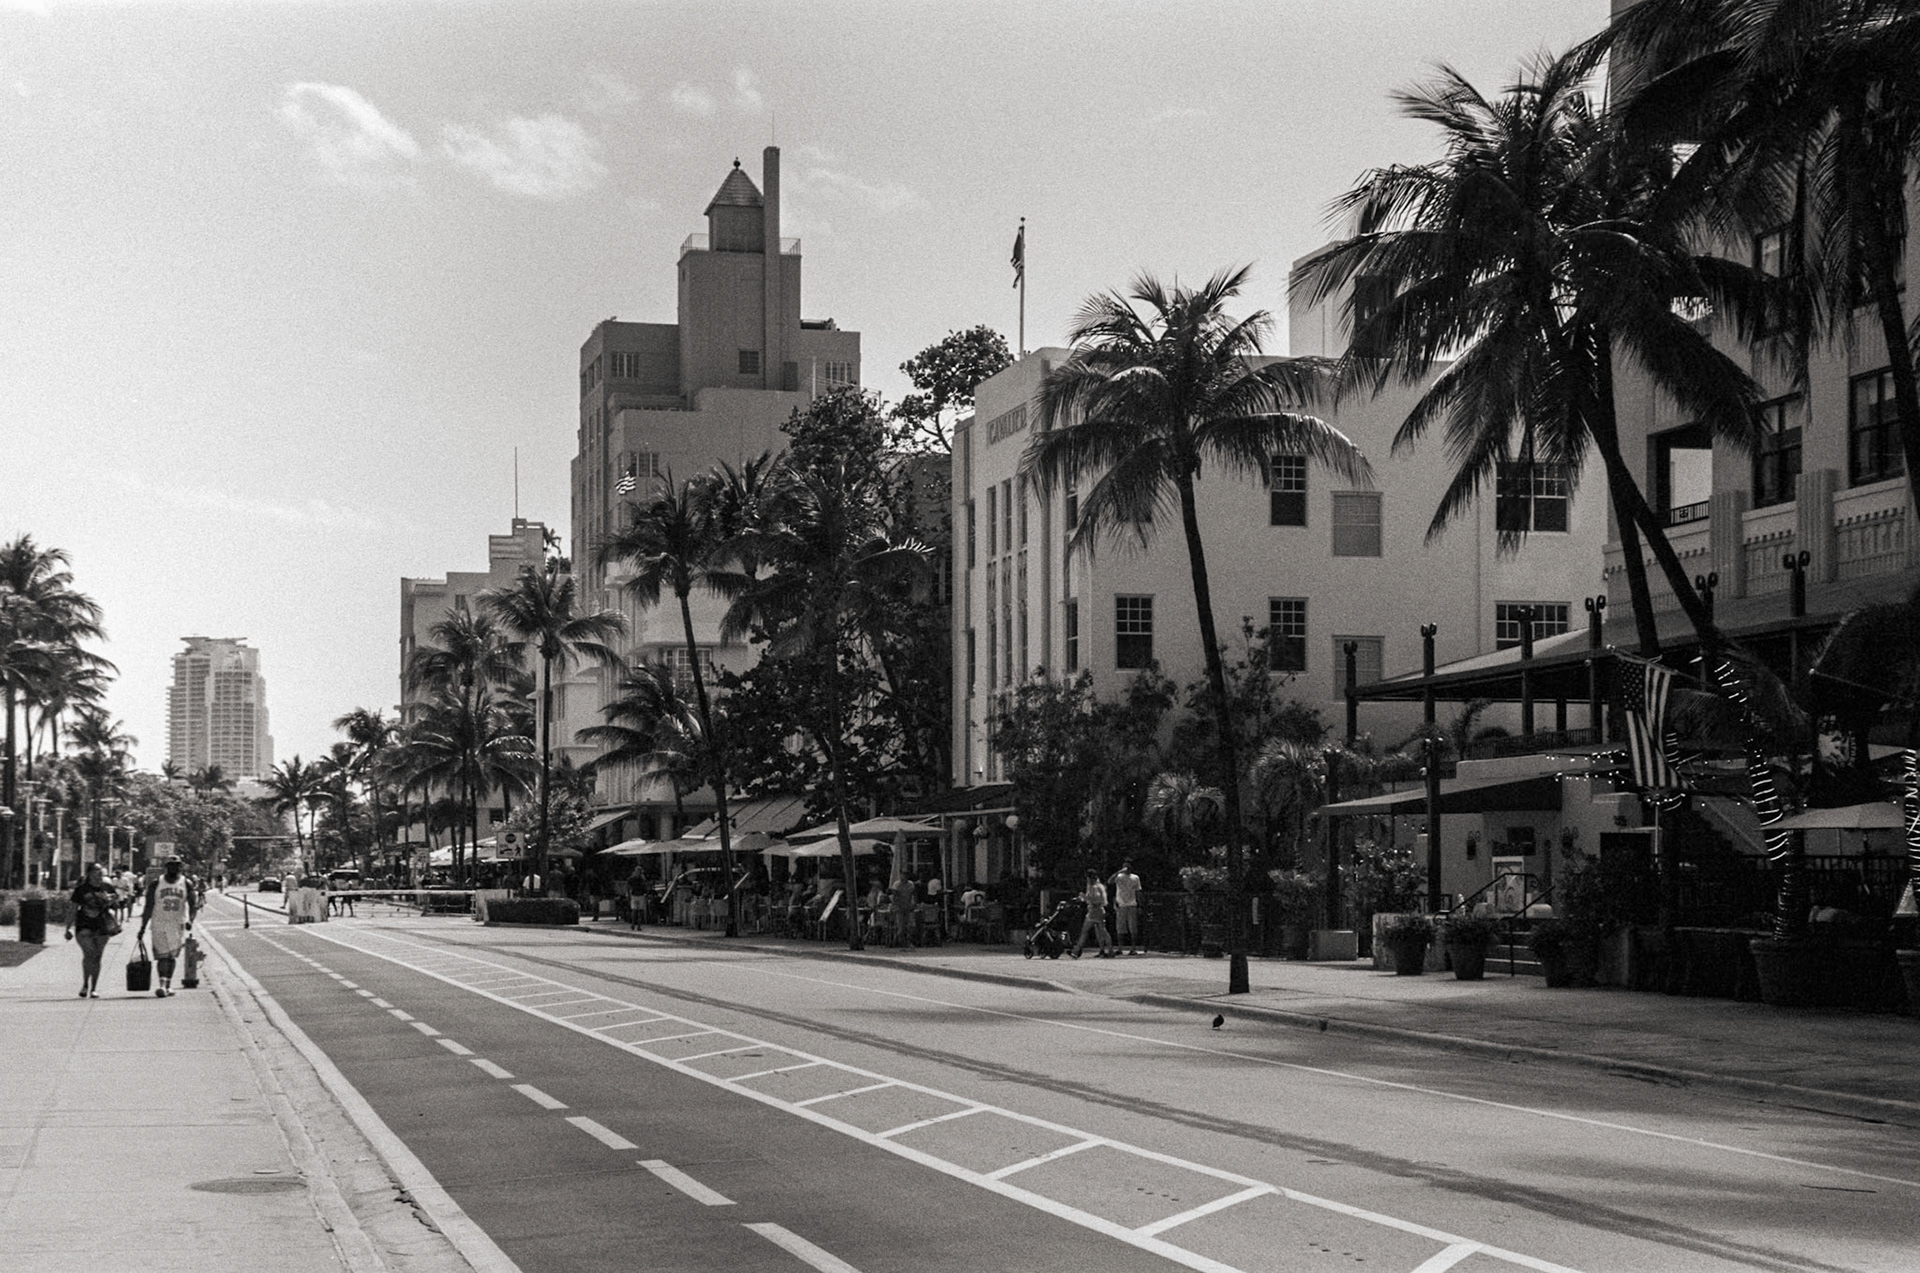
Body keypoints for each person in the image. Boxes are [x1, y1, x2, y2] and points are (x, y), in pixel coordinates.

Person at [138, 857, 197, 997]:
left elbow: (193, 904)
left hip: (177, 924)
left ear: (180, 867)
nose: (174, 868)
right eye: (171, 865)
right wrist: (143, 927)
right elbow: (148, 906)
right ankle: (162, 985)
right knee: (162, 956)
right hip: (159, 923)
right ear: (166, 867)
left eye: (177, 865)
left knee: (172, 956)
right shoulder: (156, 883)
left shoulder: (186, 883)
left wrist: (190, 920)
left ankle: (168, 985)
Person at [65, 863, 120, 998]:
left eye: (101, 872)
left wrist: (112, 900)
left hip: (102, 925)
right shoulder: (81, 889)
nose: (99, 874)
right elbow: (73, 909)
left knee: (97, 956)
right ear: (89, 873)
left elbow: (115, 906)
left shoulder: (107, 887)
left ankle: (94, 988)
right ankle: (85, 985)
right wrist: (68, 928)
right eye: (96, 871)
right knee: (89, 954)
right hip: (84, 925)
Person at [1072, 869, 1113, 959]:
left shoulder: (1094, 887)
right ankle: (1107, 950)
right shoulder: (1099, 886)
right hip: (1098, 911)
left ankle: (1076, 951)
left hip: (1094, 912)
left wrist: (1084, 897)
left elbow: (1095, 901)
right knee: (1101, 932)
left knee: (1085, 931)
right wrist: (1082, 899)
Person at [1109, 859, 1144, 955]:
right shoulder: (1119, 877)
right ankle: (1120, 948)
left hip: (1132, 904)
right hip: (1121, 905)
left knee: (1133, 928)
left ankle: (1133, 948)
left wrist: (1140, 905)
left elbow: (1138, 891)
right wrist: (1119, 872)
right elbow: (1110, 881)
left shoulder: (1135, 878)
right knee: (1120, 928)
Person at [891, 873, 917, 947]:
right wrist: (898, 905)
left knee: (911, 925)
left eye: (905, 876)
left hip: (908, 907)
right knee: (901, 926)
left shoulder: (911, 884)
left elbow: (913, 894)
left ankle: (908, 941)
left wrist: (913, 903)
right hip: (899, 908)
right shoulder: (896, 884)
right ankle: (900, 942)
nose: (904, 877)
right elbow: (895, 896)